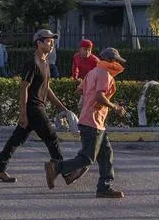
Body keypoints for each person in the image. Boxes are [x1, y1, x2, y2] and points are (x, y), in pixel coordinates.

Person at [44, 47, 128, 199]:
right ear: (110, 61)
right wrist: (115, 107)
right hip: (93, 121)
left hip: (93, 120)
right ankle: (57, 167)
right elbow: (100, 97)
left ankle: (104, 187)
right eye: (116, 61)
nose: (117, 64)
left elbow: (80, 91)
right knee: (87, 157)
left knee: (106, 154)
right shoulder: (104, 74)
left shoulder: (93, 72)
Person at [0, 29, 68, 183]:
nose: (52, 44)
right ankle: (64, 171)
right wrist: (23, 113)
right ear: (38, 43)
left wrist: (62, 107)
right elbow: (24, 87)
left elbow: (47, 88)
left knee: (16, 140)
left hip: (38, 106)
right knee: (51, 137)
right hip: (33, 107)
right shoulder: (32, 62)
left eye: (52, 41)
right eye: (48, 41)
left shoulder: (46, 62)